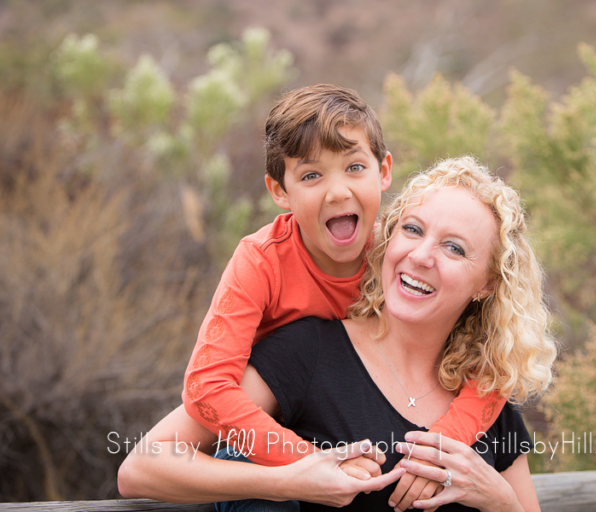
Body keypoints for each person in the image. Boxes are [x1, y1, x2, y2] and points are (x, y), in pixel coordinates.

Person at [118, 156, 557, 512]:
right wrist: (286, 479)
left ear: (486, 284)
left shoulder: (487, 400)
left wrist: (499, 501)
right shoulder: (307, 353)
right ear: (388, 239)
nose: (421, 255)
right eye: (413, 229)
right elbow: (143, 467)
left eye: (454, 247)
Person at [180, 84, 509, 507]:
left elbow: (496, 358)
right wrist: (308, 463)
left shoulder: (398, 255)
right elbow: (207, 386)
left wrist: (442, 445)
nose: (337, 192)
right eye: (312, 175)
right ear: (279, 191)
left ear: (384, 170)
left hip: (346, 429)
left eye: (354, 167)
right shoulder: (261, 262)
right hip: (260, 436)